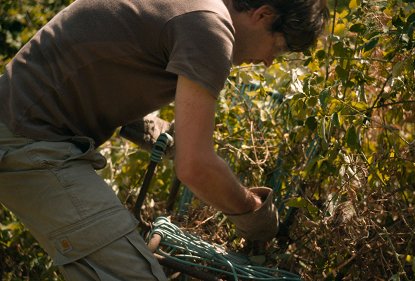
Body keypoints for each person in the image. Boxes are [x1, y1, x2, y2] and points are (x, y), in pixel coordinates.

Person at [0, 0, 328, 279]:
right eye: (280, 46)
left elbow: (108, 62)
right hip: (29, 139)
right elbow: (194, 166)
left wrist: (159, 134)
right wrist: (252, 212)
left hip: (25, 126)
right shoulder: (210, 27)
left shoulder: (194, 8)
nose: (271, 61)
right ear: (264, 15)